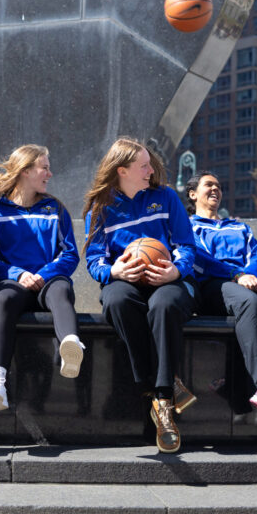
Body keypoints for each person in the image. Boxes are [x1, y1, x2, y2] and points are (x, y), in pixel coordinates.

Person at [83, 138, 197, 454]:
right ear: (123, 170)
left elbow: (186, 245)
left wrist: (176, 271)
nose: (151, 169)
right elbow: (94, 260)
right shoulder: (100, 208)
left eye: (150, 163)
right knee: (117, 300)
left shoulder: (165, 197)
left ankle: (161, 401)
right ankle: (163, 384)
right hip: (126, 280)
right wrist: (114, 272)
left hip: (165, 278)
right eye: (144, 165)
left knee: (165, 304)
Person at [0, 144, 84, 412]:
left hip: (49, 283)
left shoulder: (55, 208)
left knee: (61, 290)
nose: (50, 173)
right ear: (25, 171)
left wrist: (43, 275)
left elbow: (70, 254)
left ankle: (70, 344)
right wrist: (19, 274)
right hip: (14, 284)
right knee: (4, 300)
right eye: (44, 167)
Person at [185, 171, 257, 424]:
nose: (215, 189)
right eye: (208, 185)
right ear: (193, 194)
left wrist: (250, 276)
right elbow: (199, 261)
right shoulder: (188, 226)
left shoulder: (239, 226)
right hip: (214, 286)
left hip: (245, 281)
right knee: (250, 302)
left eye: (219, 185)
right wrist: (236, 275)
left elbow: (255, 258)